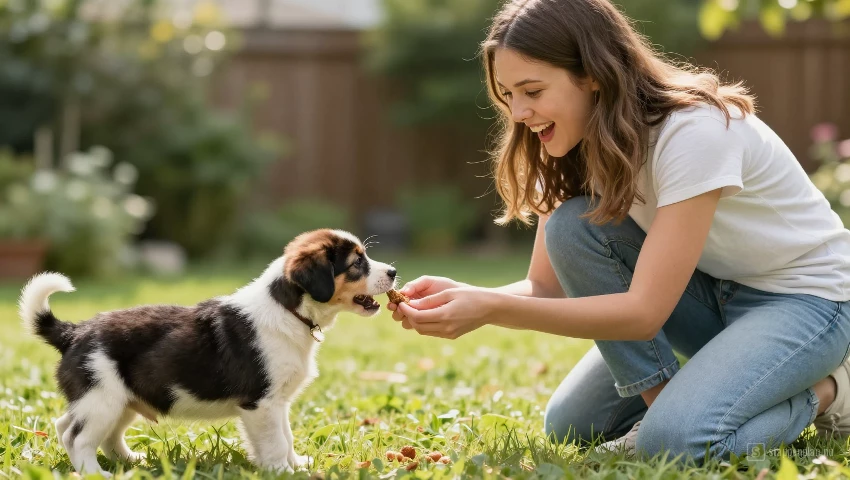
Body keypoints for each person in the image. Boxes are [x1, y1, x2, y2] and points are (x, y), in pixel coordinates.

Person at [386, 0, 850, 465]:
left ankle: (829, 391)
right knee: (571, 425)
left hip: (807, 302)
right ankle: (670, 407)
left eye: (532, 90)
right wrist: (468, 295)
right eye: (508, 94)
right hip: (709, 294)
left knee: (673, 446)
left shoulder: (694, 132)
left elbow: (645, 312)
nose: (519, 112)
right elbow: (544, 289)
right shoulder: (566, 142)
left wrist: (488, 310)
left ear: (593, 75)